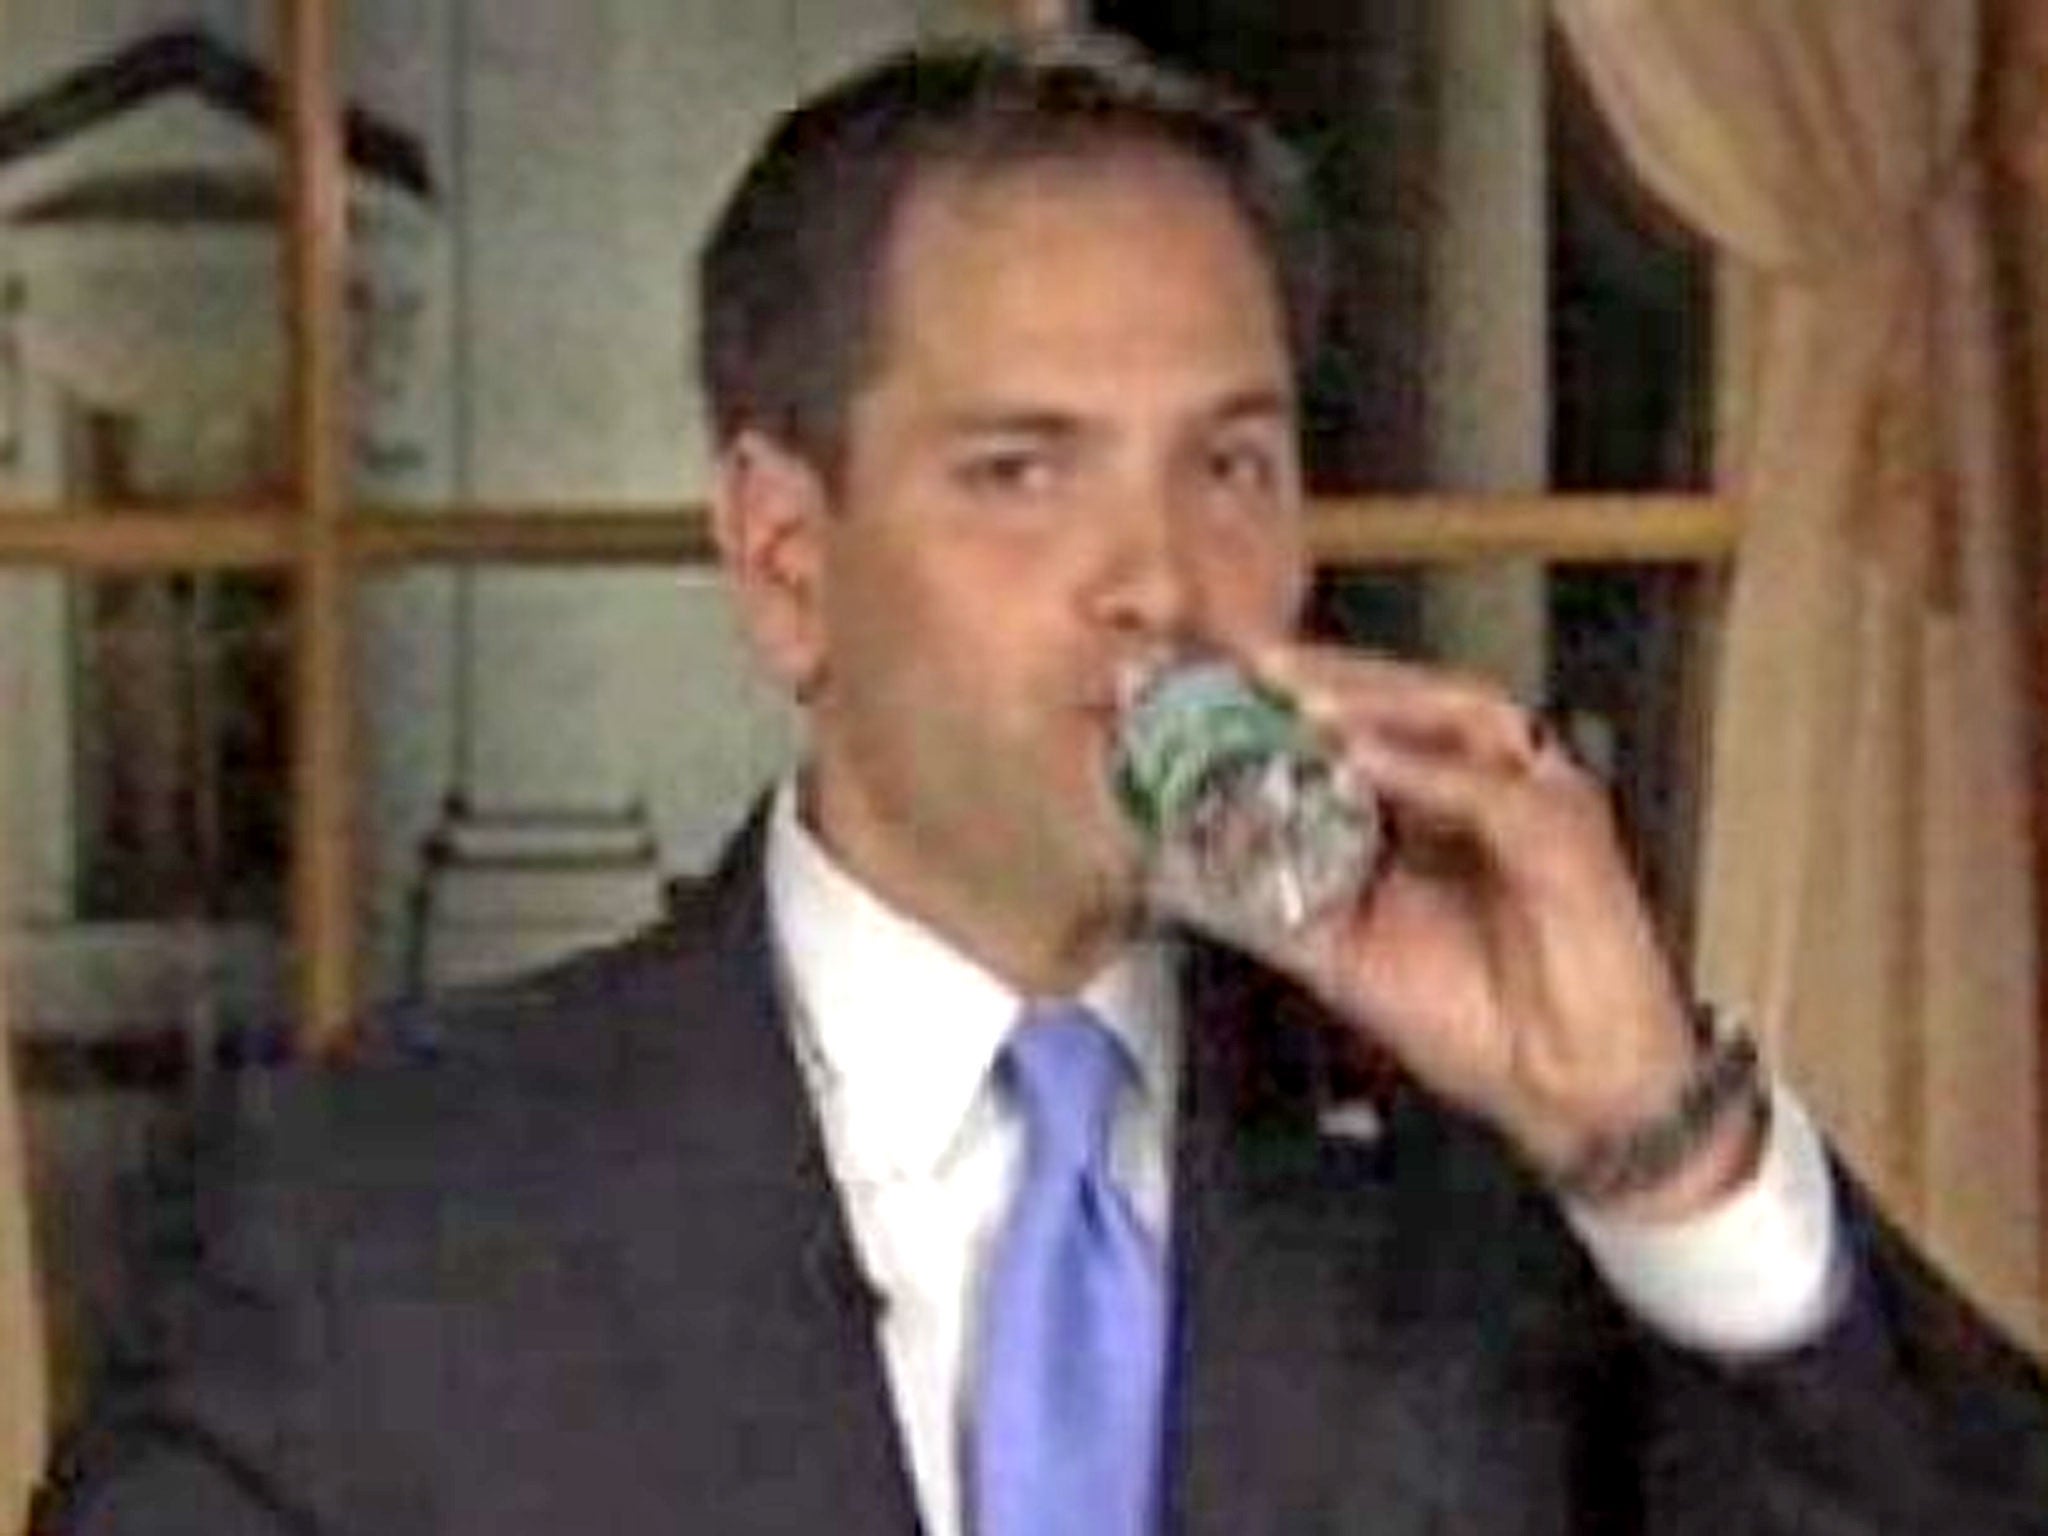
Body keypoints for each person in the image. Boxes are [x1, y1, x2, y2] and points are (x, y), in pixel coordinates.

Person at [32, 31, 2048, 1536]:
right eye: (1022, 470)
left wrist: (1656, 1147)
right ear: (783, 557)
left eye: (1230, 464)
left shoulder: (1501, 1220)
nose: (1160, 579)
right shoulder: (371, 1217)